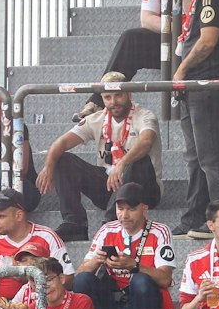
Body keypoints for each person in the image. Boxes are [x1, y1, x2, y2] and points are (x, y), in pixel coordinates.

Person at [167, 0, 219, 238]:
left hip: (206, 83)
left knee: (211, 156)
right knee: (195, 156)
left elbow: (207, 41)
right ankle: (194, 217)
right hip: (197, 86)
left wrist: (182, 70)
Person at [38, 82, 161, 243]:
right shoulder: (96, 119)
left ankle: (110, 223)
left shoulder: (144, 115)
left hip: (144, 190)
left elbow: (146, 142)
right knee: (62, 159)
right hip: (110, 187)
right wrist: (48, 167)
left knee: (139, 160)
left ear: (129, 94)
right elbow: (61, 143)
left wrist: (122, 164)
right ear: (102, 99)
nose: (113, 102)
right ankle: (75, 223)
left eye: (118, 95)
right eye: (107, 97)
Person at [72, 182, 174, 309]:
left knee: (140, 280)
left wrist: (134, 265)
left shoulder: (160, 231)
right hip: (115, 308)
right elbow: (80, 272)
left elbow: (165, 279)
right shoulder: (107, 230)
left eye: (131, 209)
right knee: (83, 281)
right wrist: (98, 260)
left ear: (144, 209)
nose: (124, 215)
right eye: (120, 208)